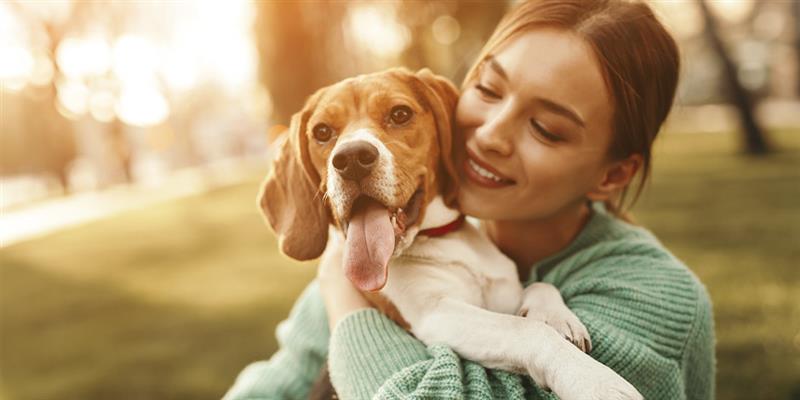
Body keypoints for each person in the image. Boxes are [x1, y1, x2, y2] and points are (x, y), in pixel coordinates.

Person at [224, 0, 715, 399]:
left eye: (545, 127)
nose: (492, 134)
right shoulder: (376, 249)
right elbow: (285, 374)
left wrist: (346, 305)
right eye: (487, 88)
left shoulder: (653, 301)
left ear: (613, 175)